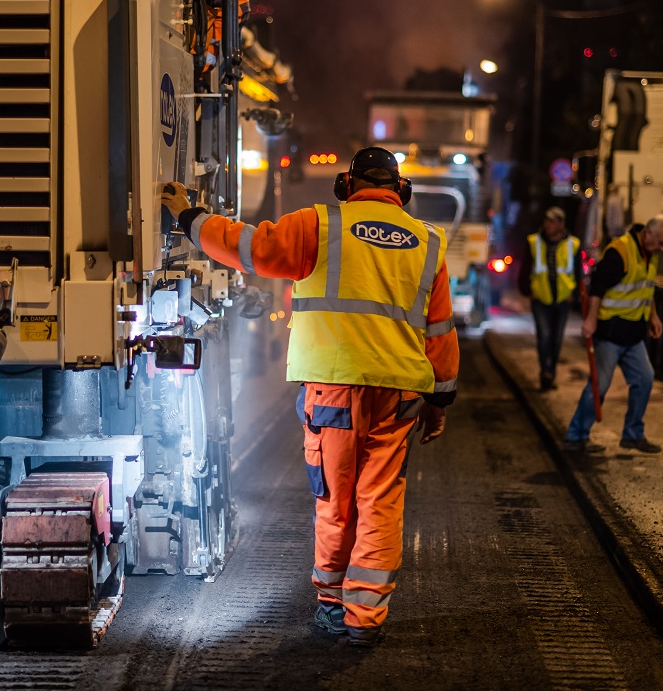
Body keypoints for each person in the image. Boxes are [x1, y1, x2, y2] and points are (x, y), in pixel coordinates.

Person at [161, 147, 460, 647]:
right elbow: (441, 333)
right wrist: (440, 403)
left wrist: (191, 218)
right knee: (380, 502)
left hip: (333, 389)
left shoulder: (318, 225)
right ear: (401, 191)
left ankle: (331, 604)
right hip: (400, 393)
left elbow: (248, 247)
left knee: (335, 500)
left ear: (345, 185)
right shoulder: (429, 242)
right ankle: (366, 619)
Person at [563, 213, 663, 454]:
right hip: (610, 334)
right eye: (661, 243)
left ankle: (633, 435)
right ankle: (576, 436)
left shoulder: (650, 253)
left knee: (645, 380)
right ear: (648, 233)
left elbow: (646, 288)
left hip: (633, 334)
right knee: (599, 385)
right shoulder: (620, 252)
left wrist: (653, 315)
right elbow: (597, 287)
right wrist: (591, 319)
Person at [526, 207, 581, 391]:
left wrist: (576, 296)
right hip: (541, 298)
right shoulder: (534, 241)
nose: (547, 225)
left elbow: (578, 273)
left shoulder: (573, 244)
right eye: (546, 221)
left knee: (556, 339)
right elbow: (525, 269)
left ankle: (551, 372)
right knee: (544, 337)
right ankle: (545, 372)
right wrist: (528, 292)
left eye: (552, 221)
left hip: (562, 300)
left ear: (561, 224)